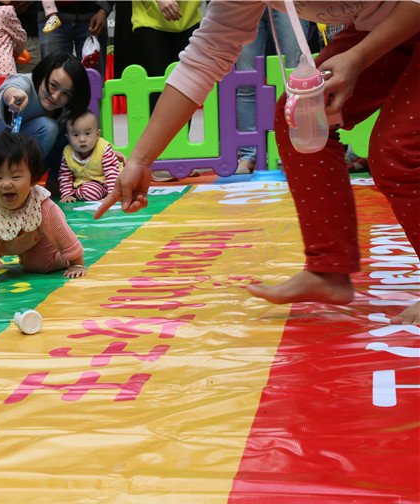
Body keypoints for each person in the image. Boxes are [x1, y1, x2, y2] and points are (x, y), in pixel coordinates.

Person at [96, 1, 420, 326]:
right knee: (300, 117)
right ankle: (329, 268)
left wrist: (359, 56)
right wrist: (141, 159)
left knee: (397, 148)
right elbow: (204, 57)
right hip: (386, 28)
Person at [0, 132, 85, 291]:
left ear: (33, 179)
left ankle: (59, 258)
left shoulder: (41, 205)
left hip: (36, 238)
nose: (6, 184)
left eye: (15, 177)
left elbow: (62, 234)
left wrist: (76, 263)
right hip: (4, 244)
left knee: (39, 266)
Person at [0, 51, 90, 193]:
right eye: (53, 85)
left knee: (71, 130)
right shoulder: (26, 84)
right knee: (49, 127)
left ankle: (56, 188)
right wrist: (13, 96)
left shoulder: (66, 109)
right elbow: (12, 87)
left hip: (26, 168)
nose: (56, 96)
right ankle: (13, 186)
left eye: (66, 94)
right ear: (44, 73)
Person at [235, 9, 309, 174]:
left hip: (287, 4)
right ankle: (248, 155)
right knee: (246, 81)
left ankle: (299, 149)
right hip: (247, 5)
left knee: (295, 78)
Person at [37, 1, 110, 79]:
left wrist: (104, 9)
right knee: (54, 79)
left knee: (93, 79)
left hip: (94, 15)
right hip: (51, 18)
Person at [58, 109, 119, 202]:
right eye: (76, 135)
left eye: (87, 134)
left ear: (98, 134)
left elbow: (112, 173)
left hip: (108, 183)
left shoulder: (103, 149)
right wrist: (67, 194)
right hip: (86, 185)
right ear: (68, 138)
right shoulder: (67, 152)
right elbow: (65, 175)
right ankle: (78, 192)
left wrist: (112, 195)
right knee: (88, 191)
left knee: (128, 180)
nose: (82, 139)